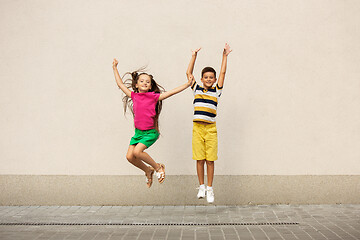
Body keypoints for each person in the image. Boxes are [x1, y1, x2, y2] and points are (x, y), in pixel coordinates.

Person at [113, 59, 192, 188]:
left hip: (150, 133)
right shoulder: (134, 96)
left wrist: (187, 84)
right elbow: (121, 85)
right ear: (136, 85)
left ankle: (158, 167)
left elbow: (171, 92)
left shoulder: (153, 97)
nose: (145, 83)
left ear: (150, 86)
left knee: (138, 152)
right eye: (142, 81)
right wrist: (115, 68)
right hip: (138, 133)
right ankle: (147, 170)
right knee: (129, 157)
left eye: (147, 82)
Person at [186, 43, 232, 203]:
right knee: (199, 159)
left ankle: (210, 188)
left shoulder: (216, 90)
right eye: (206, 77)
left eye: (211, 78)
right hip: (197, 128)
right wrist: (194, 56)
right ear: (201, 79)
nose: (208, 79)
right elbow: (188, 73)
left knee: (210, 160)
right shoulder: (196, 89)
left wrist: (224, 56)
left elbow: (223, 73)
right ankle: (201, 186)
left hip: (210, 129)